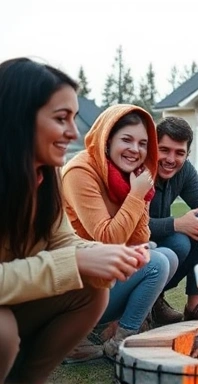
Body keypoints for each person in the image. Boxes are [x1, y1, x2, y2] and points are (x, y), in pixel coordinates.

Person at [0, 58, 150, 383]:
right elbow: (80, 248)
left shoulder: (45, 175)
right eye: (61, 118)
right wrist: (79, 258)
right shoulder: (77, 171)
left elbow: (64, 240)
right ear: (19, 116)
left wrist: (104, 255)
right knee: (3, 331)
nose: (73, 131)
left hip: (17, 297)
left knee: (94, 291)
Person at [61, 105, 180, 360]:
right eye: (126, 139)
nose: (135, 150)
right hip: (71, 292)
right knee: (156, 262)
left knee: (167, 255)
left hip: (101, 276)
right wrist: (137, 194)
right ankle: (110, 343)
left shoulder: (129, 176)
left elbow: (139, 240)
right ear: (107, 139)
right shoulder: (79, 172)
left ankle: (116, 337)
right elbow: (107, 237)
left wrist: (141, 194)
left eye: (143, 144)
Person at [148, 116, 198, 321]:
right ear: (154, 146)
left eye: (179, 153)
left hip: (159, 242)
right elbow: (132, 226)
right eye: (164, 150)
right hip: (134, 245)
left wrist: (195, 222)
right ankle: (151, 301)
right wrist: (177, 224)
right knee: (179, 242)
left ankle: (193, 306)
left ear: (187, 154)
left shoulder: (184, 170)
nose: (171, 159)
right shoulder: (139, 168)